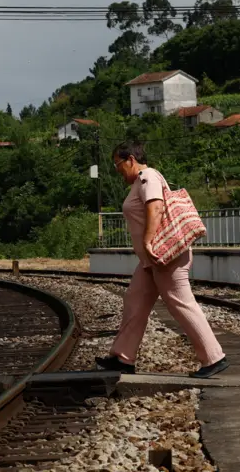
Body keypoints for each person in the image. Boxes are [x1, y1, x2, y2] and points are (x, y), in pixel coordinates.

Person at [95, 141, 228, 379]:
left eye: (118, 164)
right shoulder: (139, 182)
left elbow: (155, 207)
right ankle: (123, 358)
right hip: (151, 261)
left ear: (131, 160)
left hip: (165, 257)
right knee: (135, 301)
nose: (117, 171)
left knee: (180, 303)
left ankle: (214, 357)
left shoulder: (148, 177)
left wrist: (147, 241)